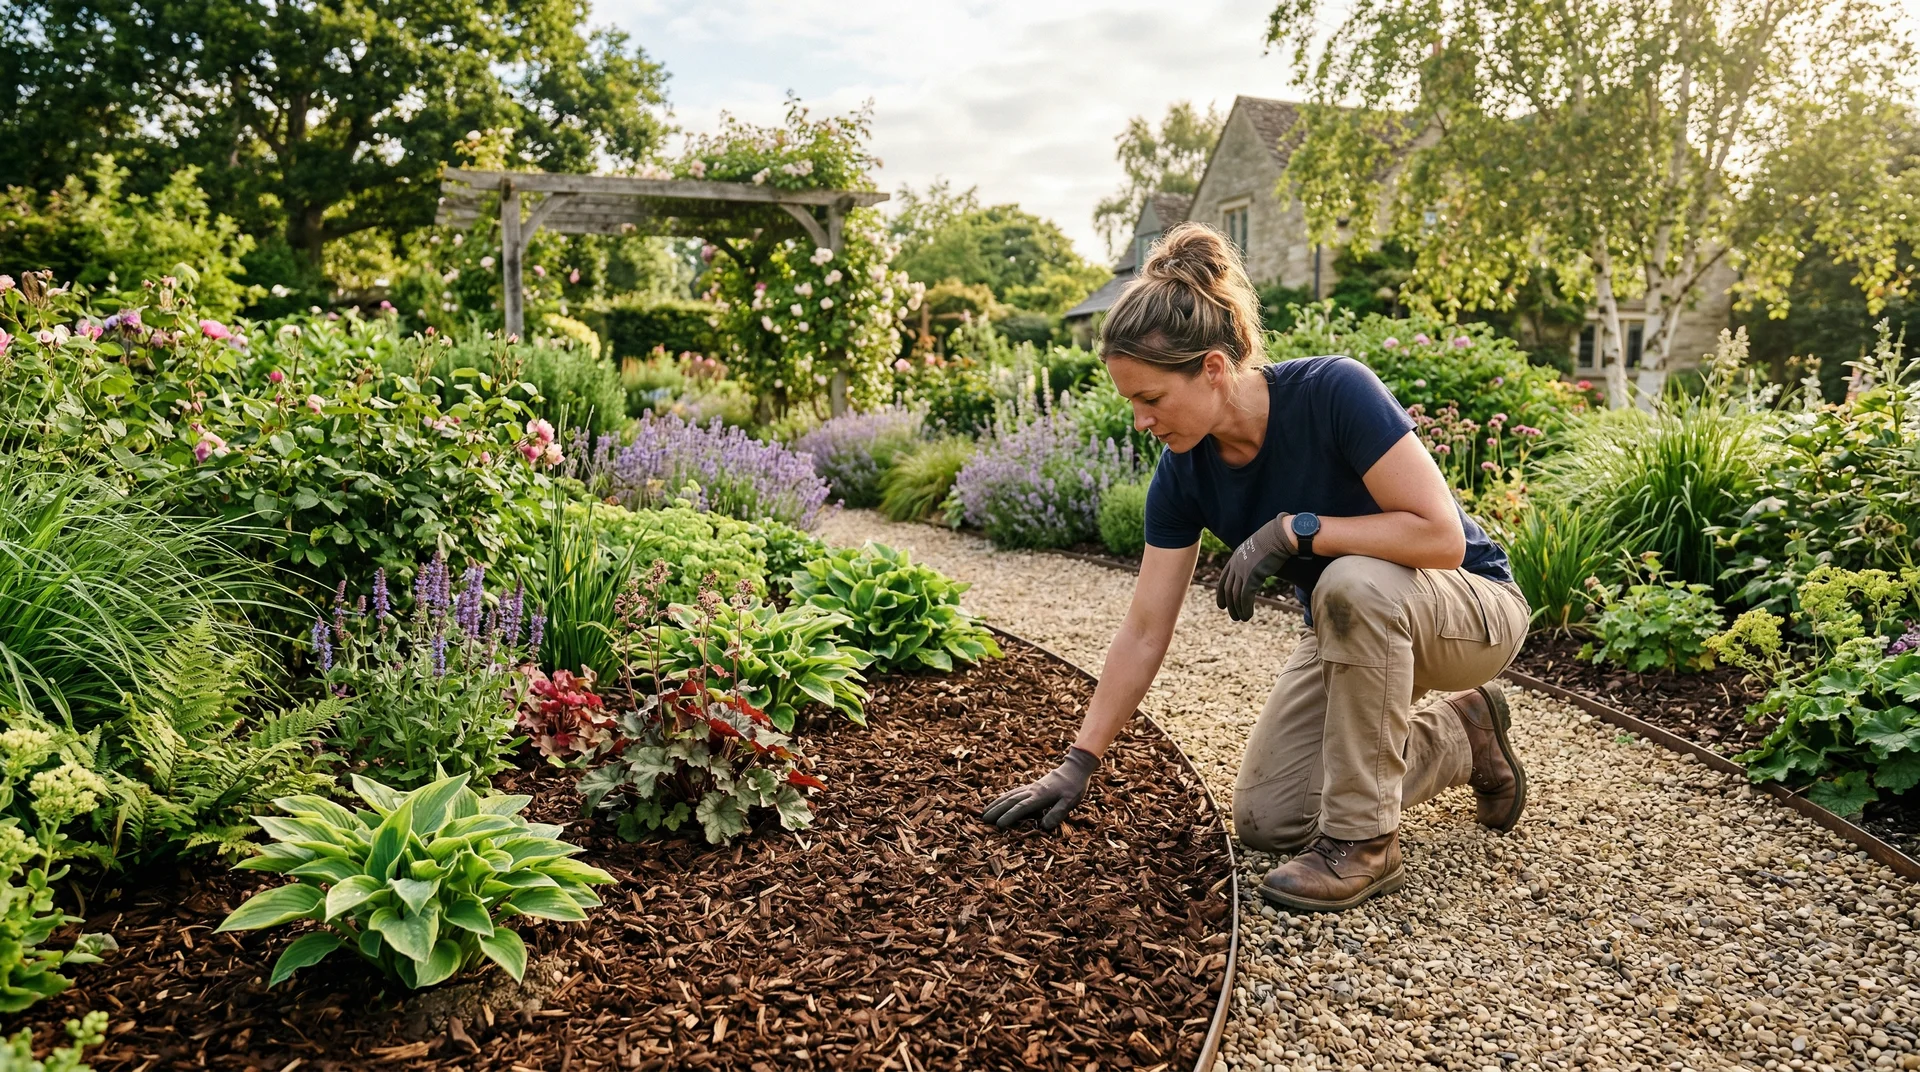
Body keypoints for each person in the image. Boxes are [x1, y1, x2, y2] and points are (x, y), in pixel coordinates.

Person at [982, 222, 1531, 913]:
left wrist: (1297, 531)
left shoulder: (1333, 392)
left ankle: (1366, 844)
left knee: (1350, 579)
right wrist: (1079, 760)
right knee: (1271, 820)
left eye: (1151, 399)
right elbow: (1146, 628)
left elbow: (1441, 538)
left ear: (1212, 368)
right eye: (1131, 403)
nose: (1141, 421)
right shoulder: (1183, 476)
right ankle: (1464, 735)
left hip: (1470, 608)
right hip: (1355, 629)